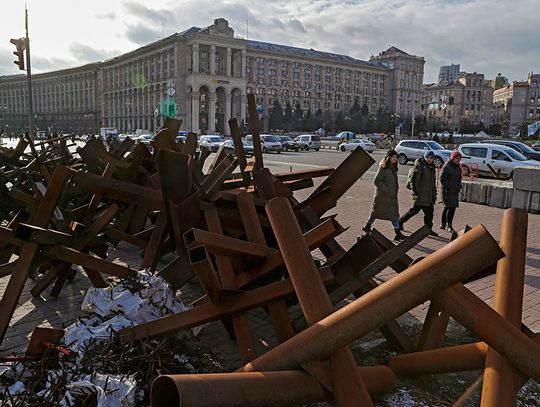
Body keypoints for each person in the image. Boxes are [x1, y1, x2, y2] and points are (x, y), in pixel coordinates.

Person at [362, 149, 406, 241]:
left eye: (396, 157)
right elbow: (376, 181)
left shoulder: (393, 168)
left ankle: (397, 233)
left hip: (391, 197)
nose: (395, 159)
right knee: (376, 212)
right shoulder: (383, 168)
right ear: (388, 157)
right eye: (393, 157)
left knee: (394, 215)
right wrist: (386, 190)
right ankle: (367, 225)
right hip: (383, 196)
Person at [399, 150, 438, 236]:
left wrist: (434, 193)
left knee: (430, 213)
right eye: (428, 157)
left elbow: (433, 182)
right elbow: (414, 181)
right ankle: (400, 221)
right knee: (414, 211)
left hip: (428, 196)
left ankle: (428, 229)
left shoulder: (432, 168)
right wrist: (416, 192)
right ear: (424, 157)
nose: (429, 159)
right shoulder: (420, 166)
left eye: (431, 158)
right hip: (419, 194)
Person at [440, 150, 463, 233]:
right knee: (450, 208)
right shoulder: (447, 166)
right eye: (457, 158)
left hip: (455, 190)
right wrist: (448, 187)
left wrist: (459, 186)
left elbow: (459, 178)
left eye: (460, 158)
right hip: (448, 191)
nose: (458, 160)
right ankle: (448, 225)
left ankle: (443, 223)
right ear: (453, 158)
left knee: (449, 207)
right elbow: (442, 178)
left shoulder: (458, 167)